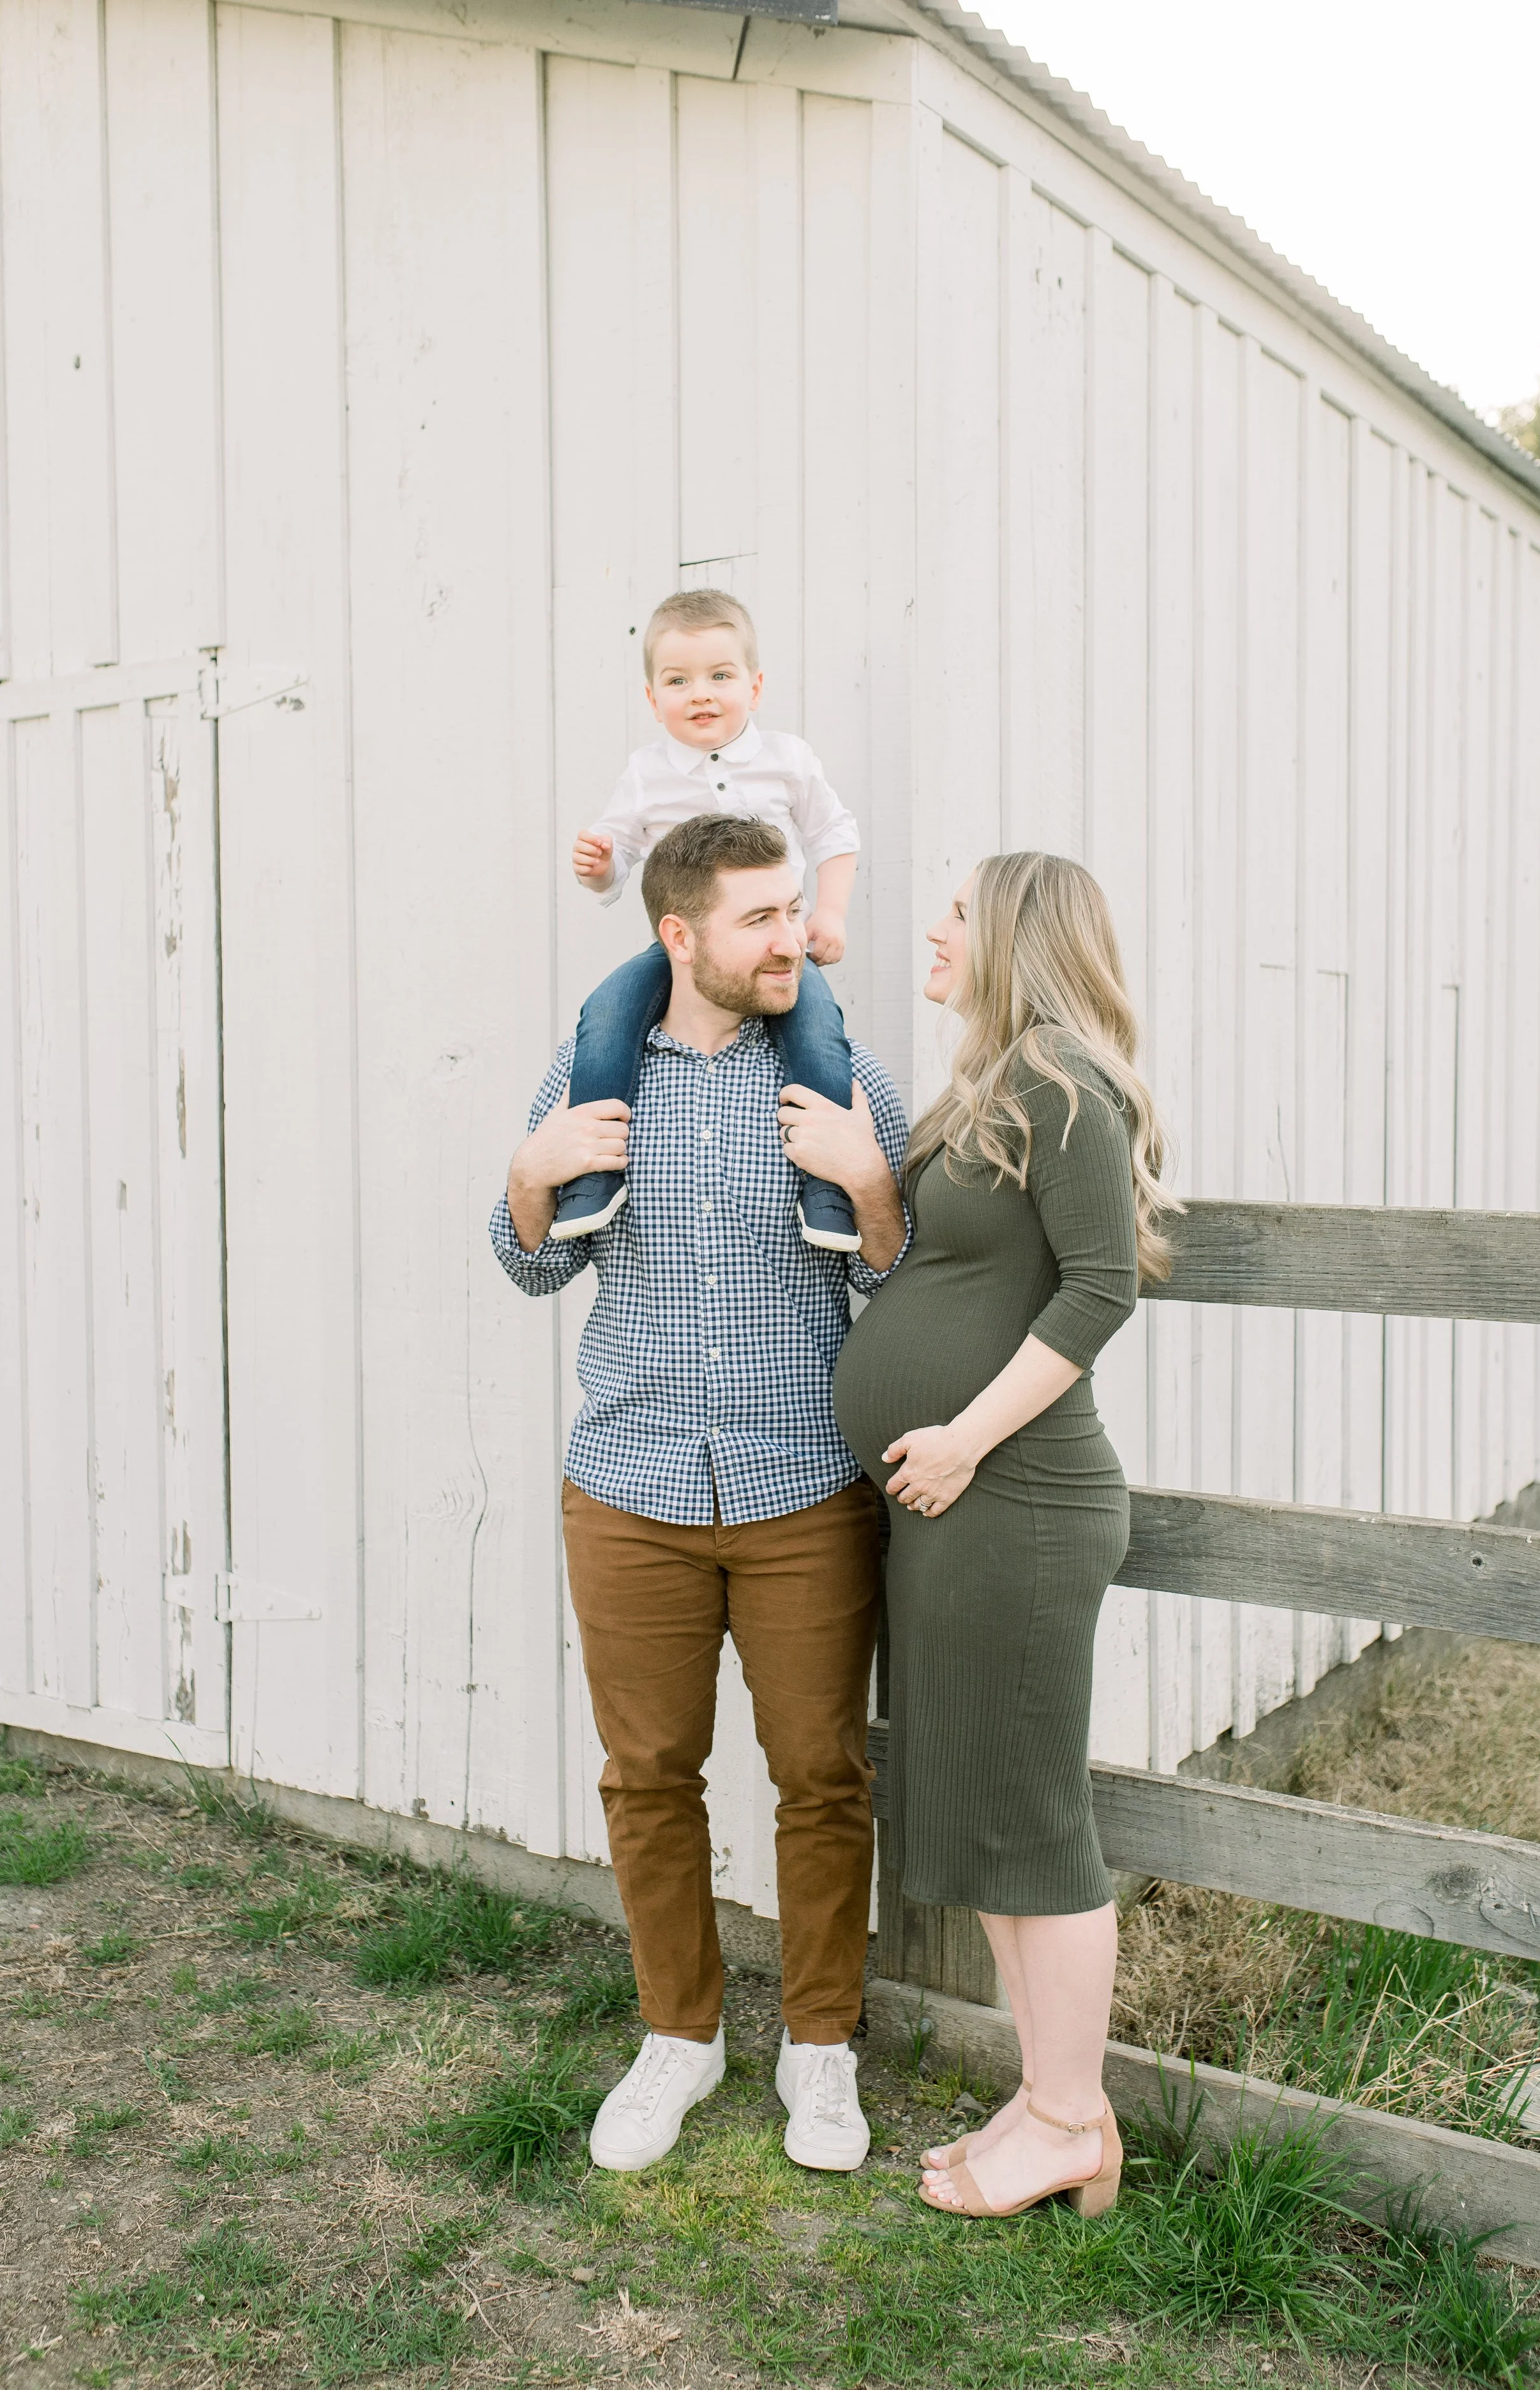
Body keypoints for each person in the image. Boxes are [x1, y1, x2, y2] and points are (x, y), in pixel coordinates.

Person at [491, 812, 909, 2176]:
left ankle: (819, 2050)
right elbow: (533, 1268)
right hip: (629, 1486)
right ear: (678, 936)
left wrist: (873, 1194)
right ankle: (679, 2036)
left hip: (803, 1490)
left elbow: (902, 1296)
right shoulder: (592, 1072)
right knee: (648, 1777)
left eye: (796, 909)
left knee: (821, 1777)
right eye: (759, 919)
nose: (794, 936)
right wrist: (524, 1180)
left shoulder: (846, 1081)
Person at [789, 851, 1177, 2222]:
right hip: (954, 1508)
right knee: (994, 1815)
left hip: (1011, 1500)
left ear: (1016, 931)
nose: (936, 932)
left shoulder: (1065, 1081)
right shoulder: (996, 1086)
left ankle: (1072, 2118)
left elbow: (1094, 1293)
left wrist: (961, 1436)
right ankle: (1044, 2095)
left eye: (957, 913)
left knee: (1033, 1819)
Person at [559, 588, 863, 1253]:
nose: (701, 693)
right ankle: (593, 1174)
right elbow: (614, 862)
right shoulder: (645, 774)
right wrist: (598, 866)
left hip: (778, 945)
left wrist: (830, 912)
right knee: (606, 1015)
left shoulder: (787, 759)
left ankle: (827, 1188)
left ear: (754, 686)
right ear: (651, 698)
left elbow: (834, 835)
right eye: (678, 680)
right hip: (682, 951)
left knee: (817, 1031)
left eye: (720, 676)